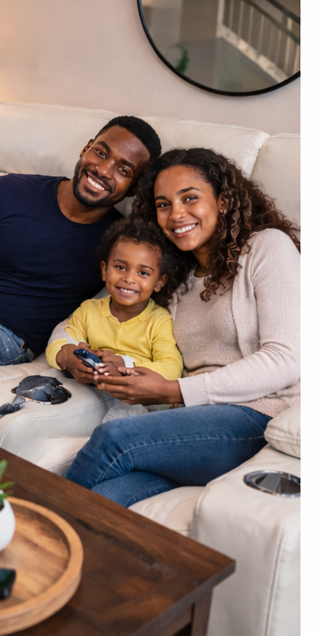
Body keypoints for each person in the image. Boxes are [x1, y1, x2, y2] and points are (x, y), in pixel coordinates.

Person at [63, 148, 300, 507]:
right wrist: (108, 363)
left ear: (223, 201)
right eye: (163, 204)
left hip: (258, 419)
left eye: (190, 198)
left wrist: (173, 390)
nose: (176, 214)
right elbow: (99, 317)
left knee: (114, 439)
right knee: (106, 498)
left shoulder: (267, 247)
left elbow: (285, 359)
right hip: (193, 425)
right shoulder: (175, 278)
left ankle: (27, 531)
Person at [0, 116, 162, 375]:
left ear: (133, 189)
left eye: (123, 170)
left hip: (3, 335)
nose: (104, 170)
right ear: (86, 148)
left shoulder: (121, 244)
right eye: (101, 152)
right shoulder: (8, 190)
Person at [44, 216, 185, 423]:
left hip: (139, 399)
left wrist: (123, 366)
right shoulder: (89, 310)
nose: (129, 278)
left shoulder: (159, 320)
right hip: (94, 391)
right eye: (120, 267)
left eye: (143, 272)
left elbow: (172, 368)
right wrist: (66, 356)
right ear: (104, 270)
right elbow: (59, 342)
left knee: (122, 418)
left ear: (159, 282)